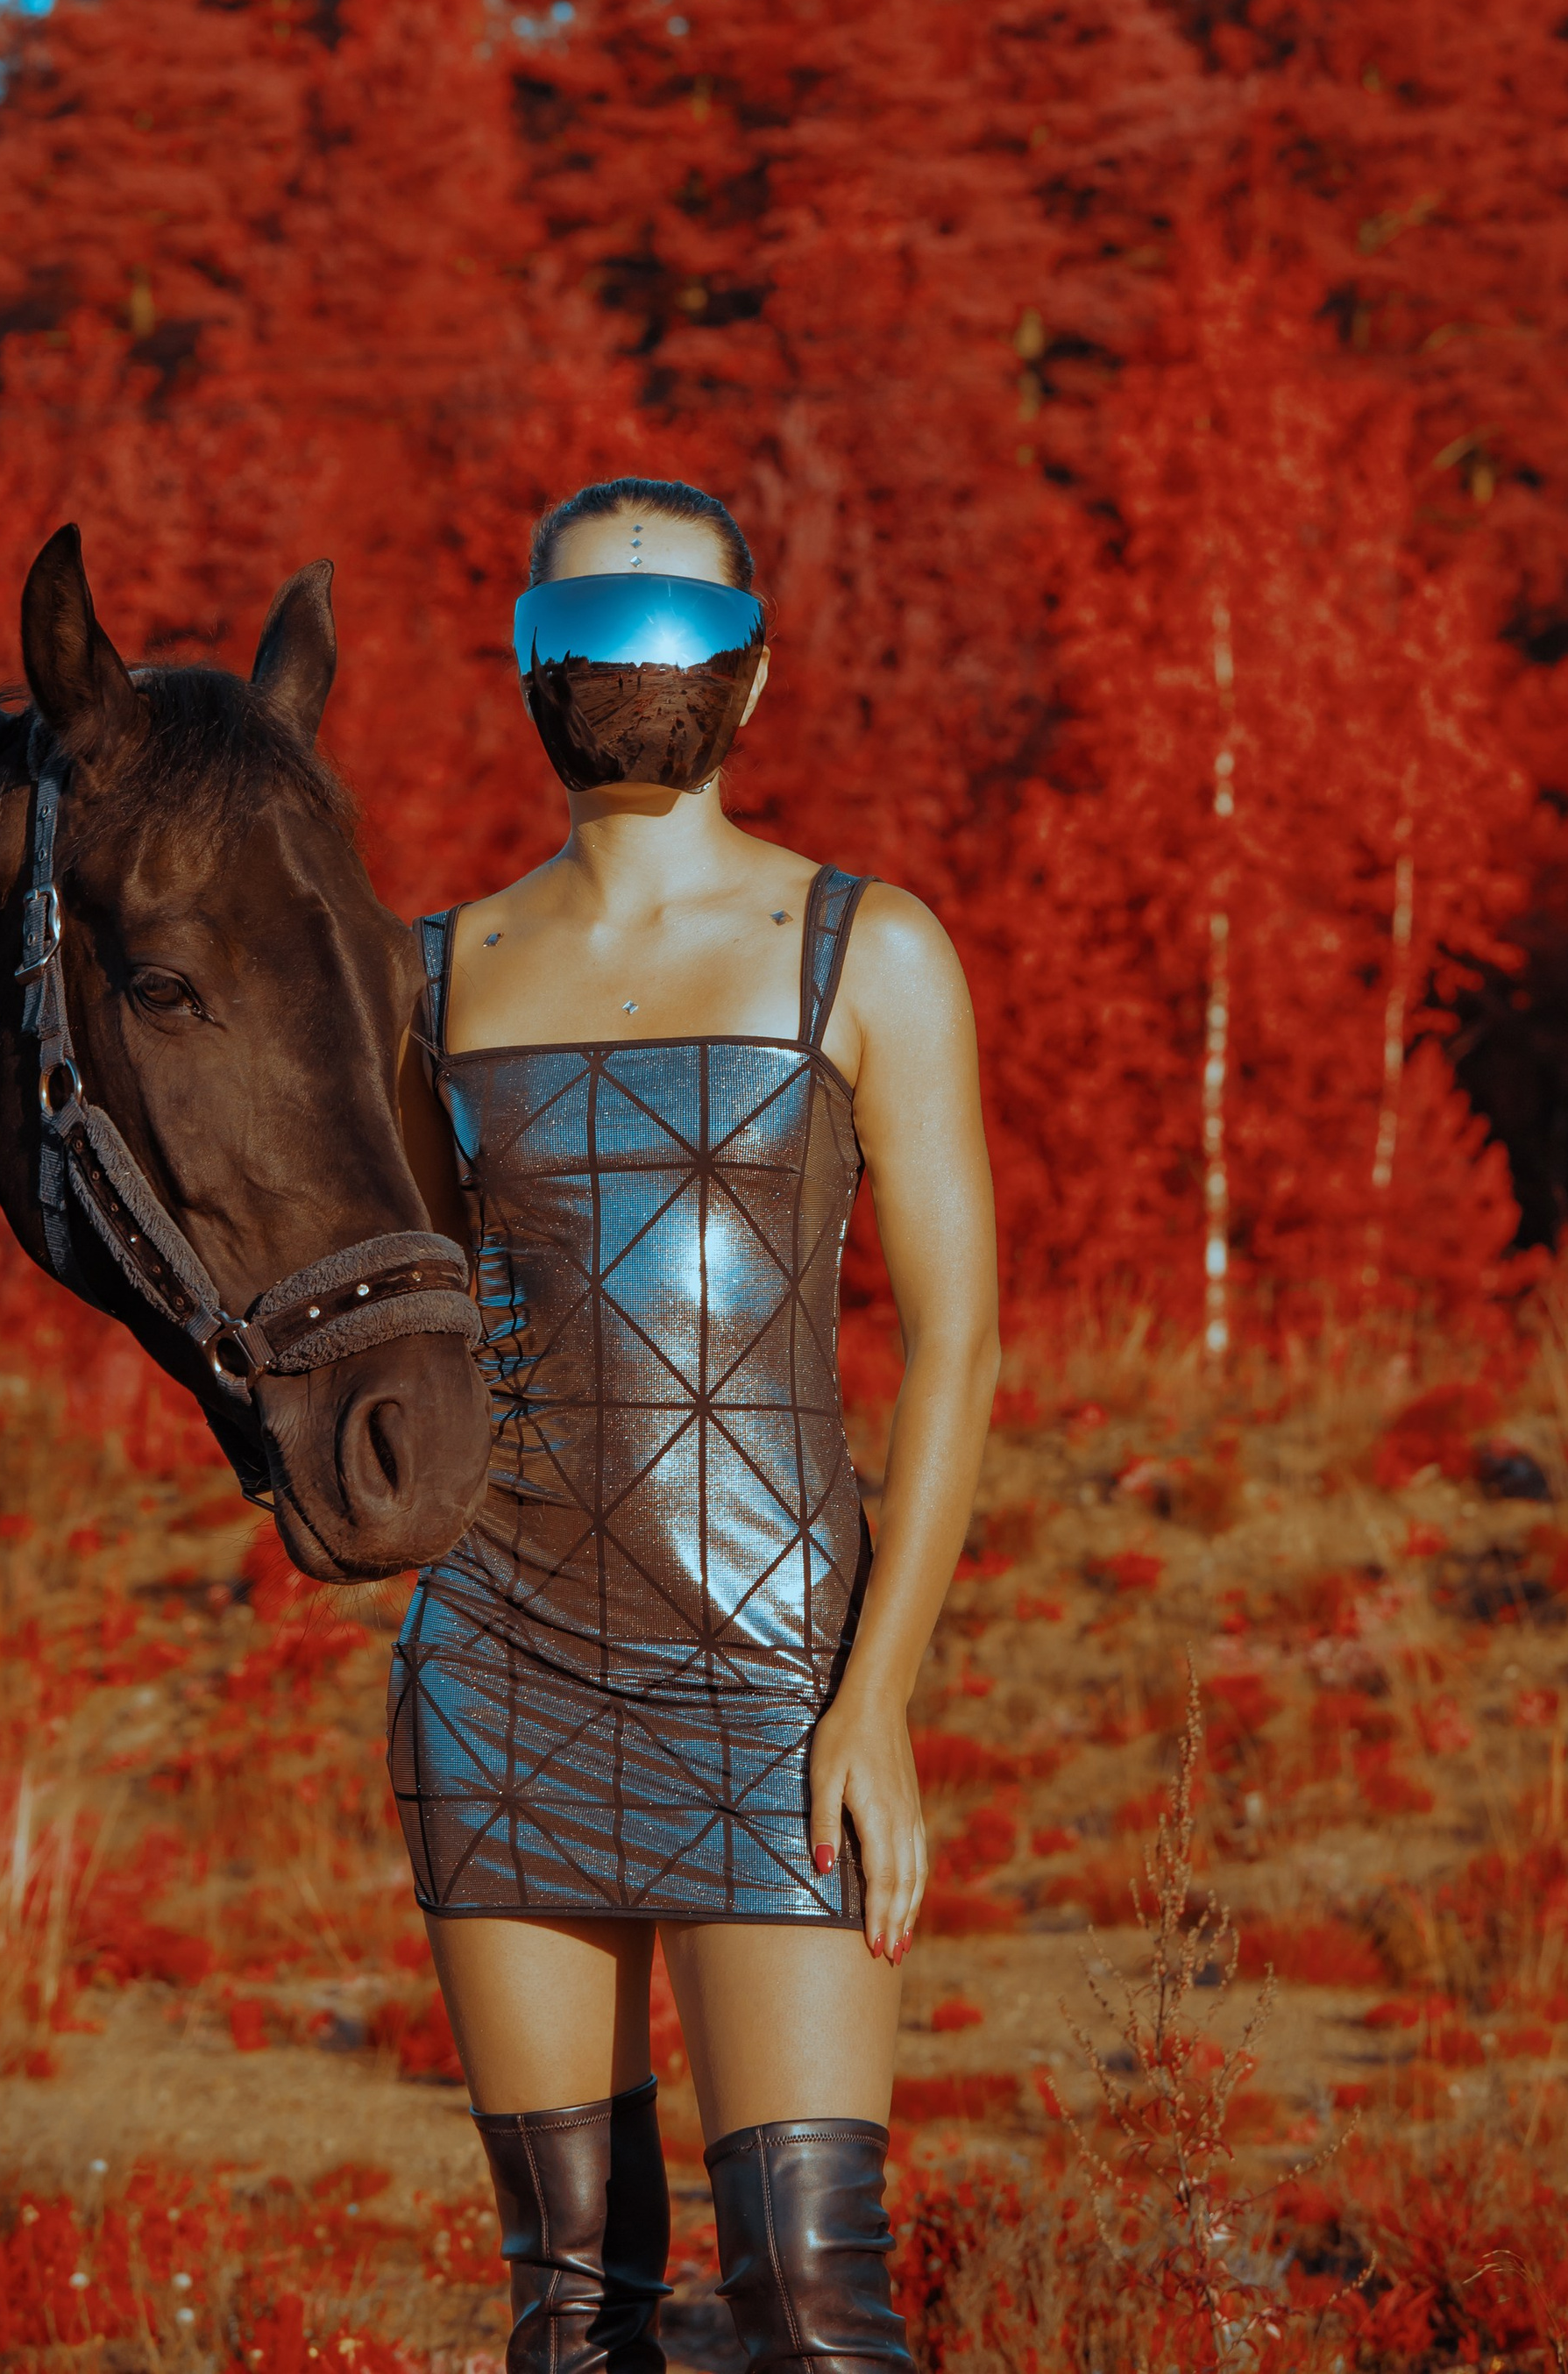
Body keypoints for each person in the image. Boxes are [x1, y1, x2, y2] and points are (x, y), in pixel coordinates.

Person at [389, 476, 1001, 2374]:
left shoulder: (861, 950)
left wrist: (876, 1695)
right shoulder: (429, 975)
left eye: (664, 648)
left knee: (814, 2307)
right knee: (572, 2314)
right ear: (524, 677)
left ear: (745, 681)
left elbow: (960, 1341)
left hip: (778, 1681)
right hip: (494, 1671)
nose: (627, 685)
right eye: (587, 646)